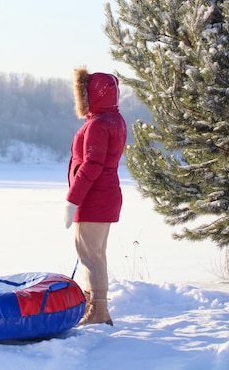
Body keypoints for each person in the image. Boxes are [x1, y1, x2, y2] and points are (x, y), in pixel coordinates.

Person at [64, 67, 127, 326]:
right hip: (105, 195)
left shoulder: (99, 124)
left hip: (94, 198)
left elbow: (92, 165)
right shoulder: (114, 120)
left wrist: (72, 199)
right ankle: (94, 306)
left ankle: (98, 311)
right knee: (95, 254)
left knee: (89, 255)